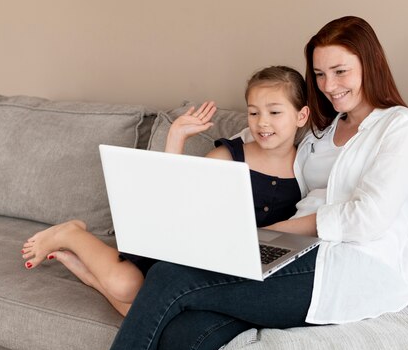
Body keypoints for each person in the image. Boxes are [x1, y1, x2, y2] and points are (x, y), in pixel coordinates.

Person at [96, 16, 408, 350]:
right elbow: (264, 137)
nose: (329, 86)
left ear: (369, 64)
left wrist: (279, 230)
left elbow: (367, 218)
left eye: (340, 71)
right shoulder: (322, 131)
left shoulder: (401, 126)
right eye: (319, 74)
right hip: (290, 249)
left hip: (349, 266)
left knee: (168, 278)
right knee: (185, 334)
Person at [19, 65, 310, 317]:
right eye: (254, 113)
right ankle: (70, 233)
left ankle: (93, 279)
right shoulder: (229, 155)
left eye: (274, 112)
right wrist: (176, 137)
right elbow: (176, 200)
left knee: (139, 311)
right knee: (127, 287)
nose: (262, 122)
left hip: (235, 263)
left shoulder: (307, 167)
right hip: (185, 248)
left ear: (301, 116)